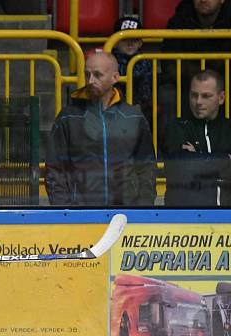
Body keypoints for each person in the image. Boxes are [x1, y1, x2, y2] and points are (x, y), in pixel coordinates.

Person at [45, 50, 157, 205]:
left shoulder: (134, 117)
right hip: (80, 216)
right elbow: (55, 170)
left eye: (98, 75)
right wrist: (65, 210)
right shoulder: (68, 117)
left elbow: (146, 168)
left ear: (115, 77)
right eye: (87, 74)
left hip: (127, 214)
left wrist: (143, 207)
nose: (90, 80)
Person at [163, 70, 231, 206]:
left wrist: (199, 156)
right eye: (194, 95)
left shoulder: (228, 129)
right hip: (187, 218)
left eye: (206, 96)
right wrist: (224, 162)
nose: (198, 102)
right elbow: (183, 171)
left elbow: (196, 167)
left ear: (221, 98)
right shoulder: (176, 128)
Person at [160, 0, 231, 123]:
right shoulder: (178, 21)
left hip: (225, 83)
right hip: (186, 84)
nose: (203, 0)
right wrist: (199, 79)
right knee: (167, 95)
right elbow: (169, 65)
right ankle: (173, 142)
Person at [111, 16, 154, 126]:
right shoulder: (109, 61)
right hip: (115, 111)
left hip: (141, 110)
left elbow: (147, 91)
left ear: (140, 42)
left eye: (134, 39)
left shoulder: (145, 62)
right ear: (115, 42)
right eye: (125, 39)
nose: (130, 43)